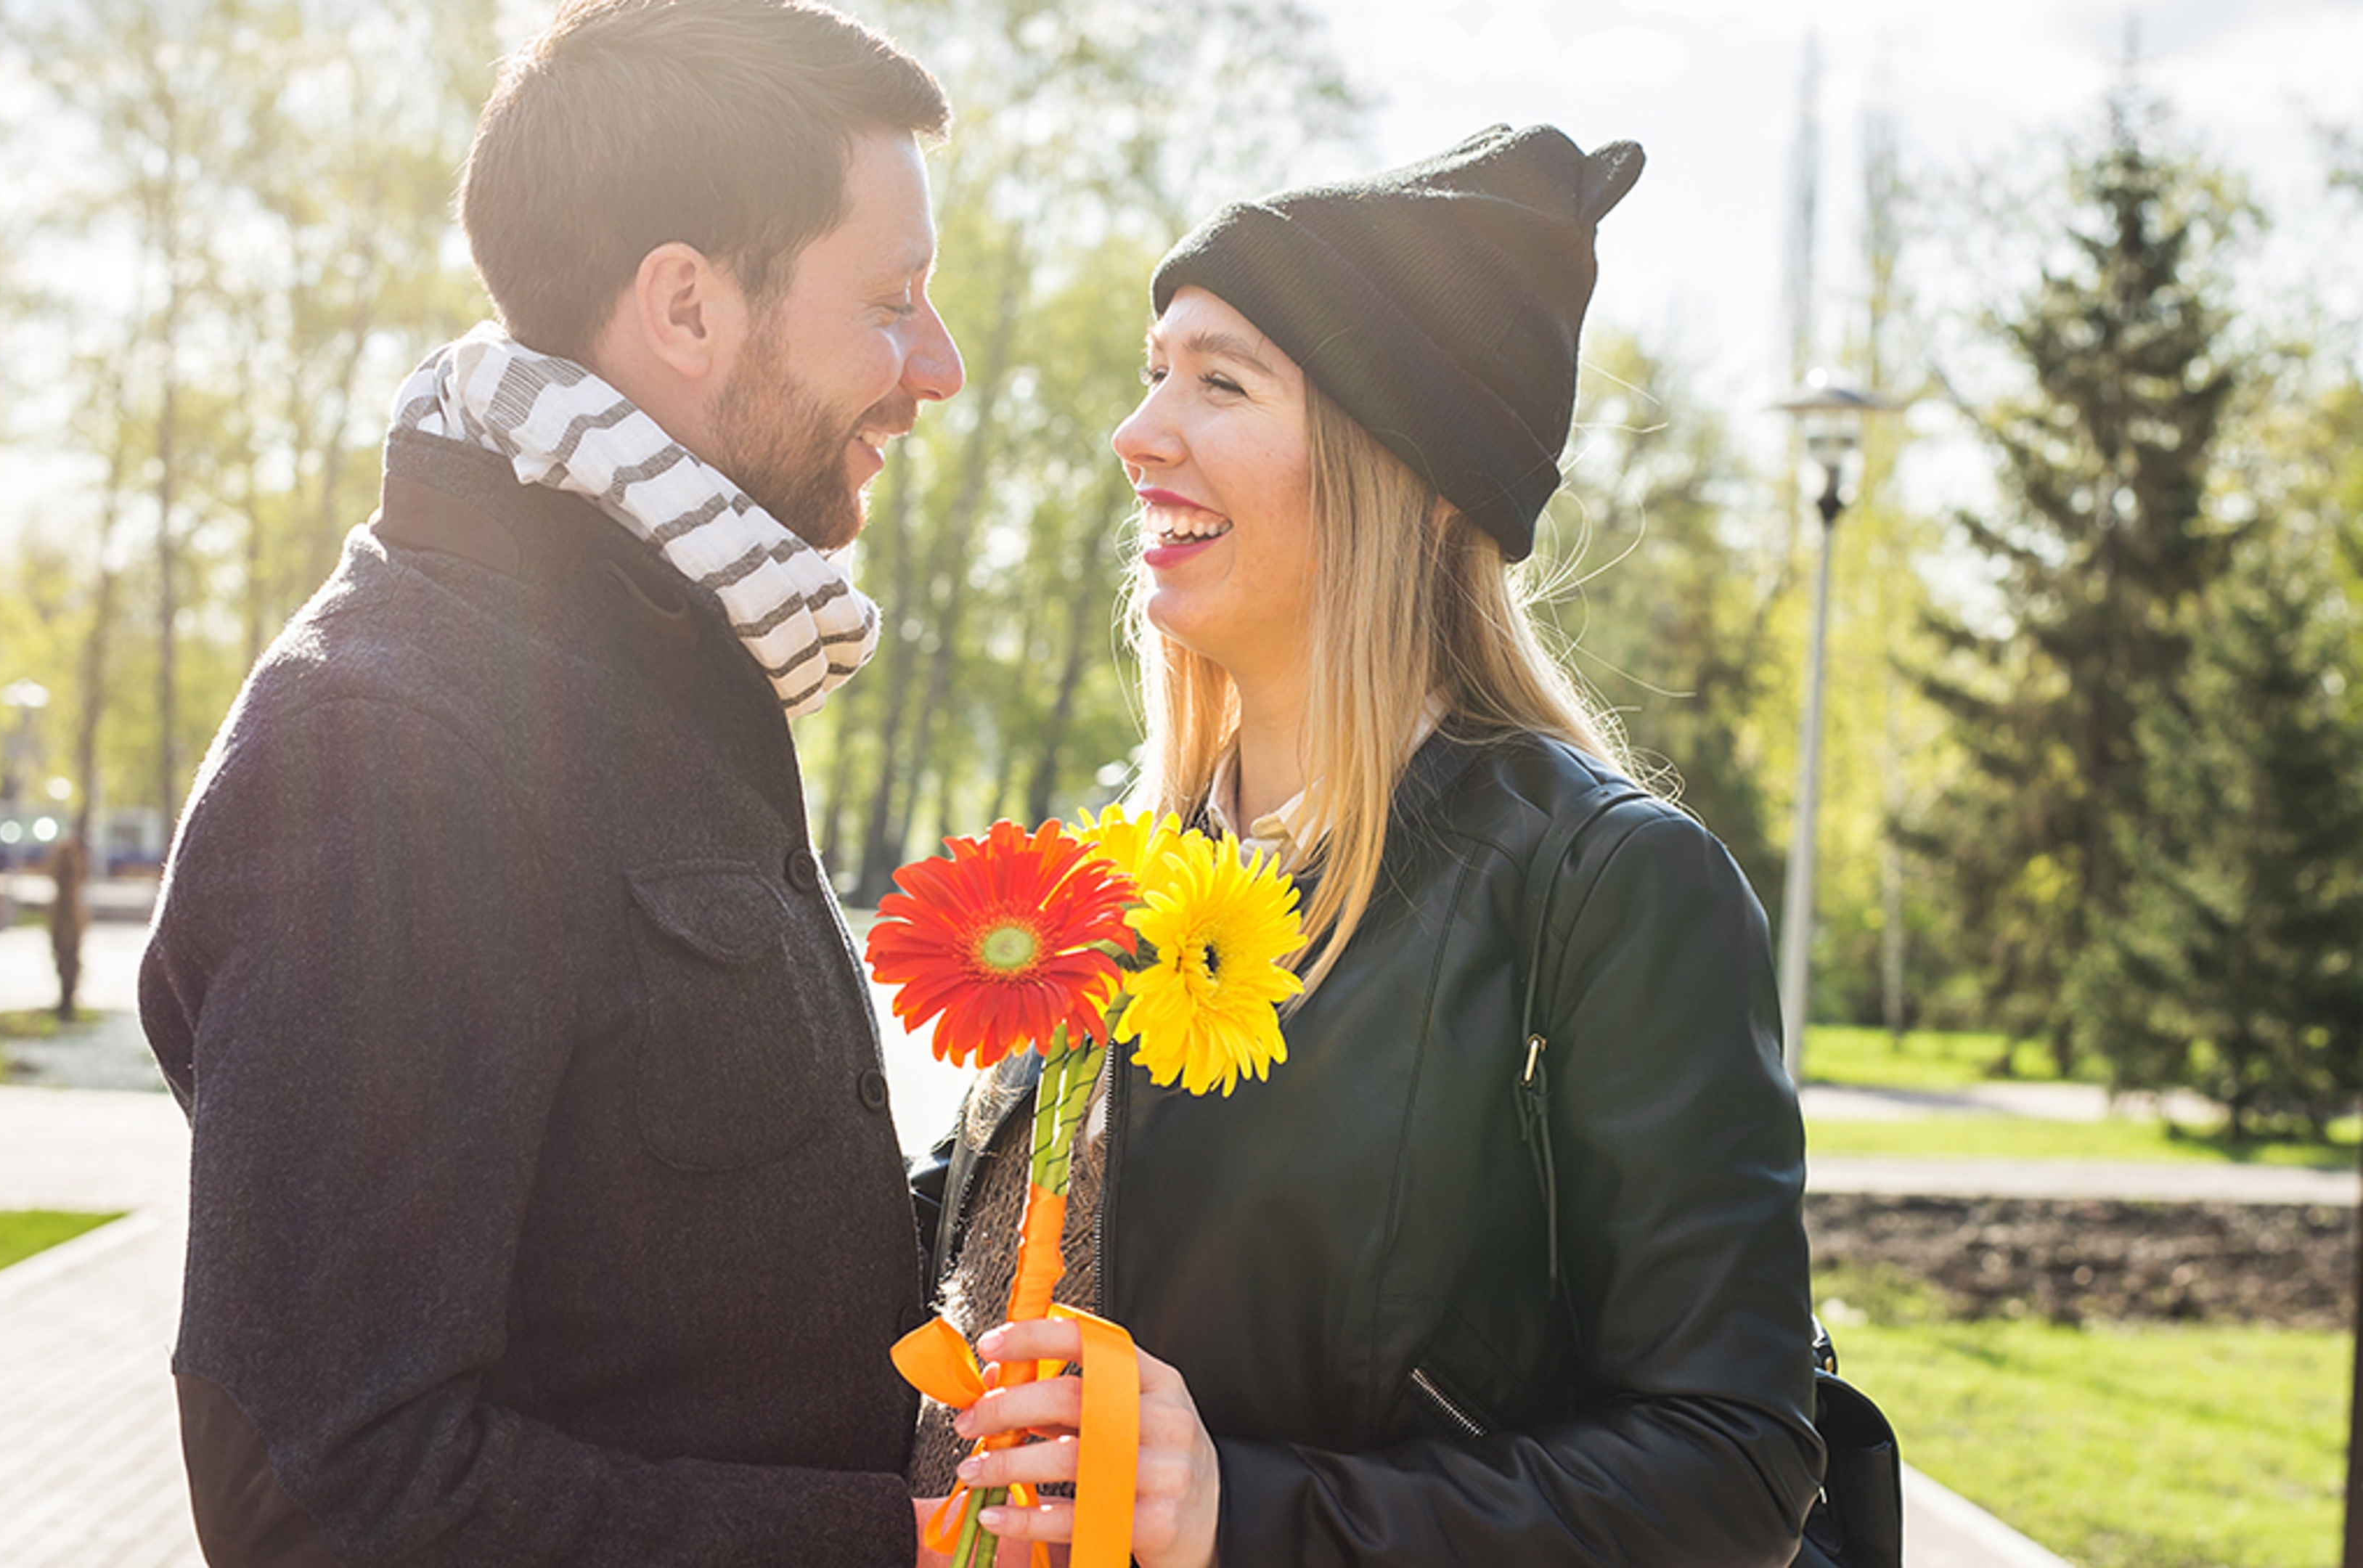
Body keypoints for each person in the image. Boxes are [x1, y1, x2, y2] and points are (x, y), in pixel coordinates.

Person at [909, 126, 1827, 1567]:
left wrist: (1240, 1510)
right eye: (1155, 373)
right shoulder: (1112, 862)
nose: (1138, 433)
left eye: (1222, 381)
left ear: (1398, 460)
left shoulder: (1605, 892)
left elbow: (1735, 1466)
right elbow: (955, 1259)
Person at [139, 2, 964, 1563]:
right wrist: (902, 1549)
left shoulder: (672, 664)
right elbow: (325, 1499)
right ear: (685, 307)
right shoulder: (388, 749)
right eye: (893, 302)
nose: (942, 366)